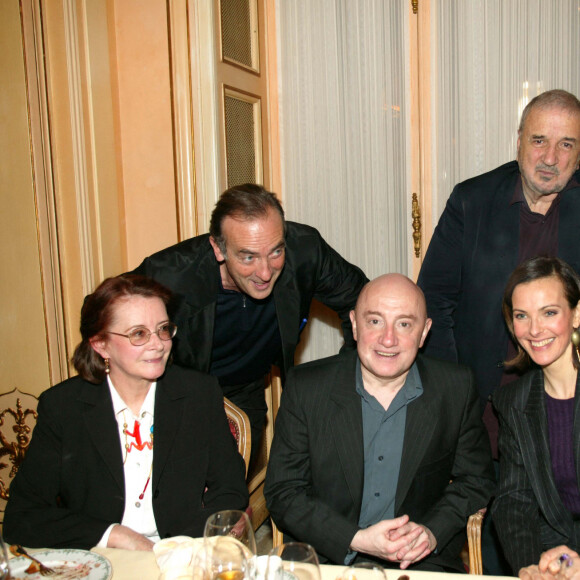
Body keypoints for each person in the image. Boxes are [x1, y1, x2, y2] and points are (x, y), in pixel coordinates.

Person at [264, 274, 495, 572]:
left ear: (424, 332)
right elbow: (284, 492)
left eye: (404, 324)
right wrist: (354, 538)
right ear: (355, 325)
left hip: (419, 561)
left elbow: (477, 480)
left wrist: (430, 532)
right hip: (325, 558)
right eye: (375, 321)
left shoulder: (455, 388)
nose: (388, 339)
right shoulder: (307, 388)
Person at [4, 275, 248, 550]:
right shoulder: (64, 407)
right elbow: (22, 518)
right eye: (139, 333)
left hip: (182, 555)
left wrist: (189, 546)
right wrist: (115, 535)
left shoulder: (198, 394)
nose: (158, 344)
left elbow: (231, 491)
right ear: (100, 345)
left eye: (163, 329)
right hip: (101, 557)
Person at [131, 183, 368, 458]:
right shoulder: (171, 274)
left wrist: (347, 375)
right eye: (248, 257)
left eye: (276, 252)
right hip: (180, 393)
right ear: (218, 249)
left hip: (246, 393)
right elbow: (103, 311)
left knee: (230, 489)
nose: (265, 272)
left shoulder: (305, 250)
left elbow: (363, 303)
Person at [492, 256, 580, 573]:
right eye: (521, 316)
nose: (534, 329)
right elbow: (514, 500)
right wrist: (530, 566)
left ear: (577, 313)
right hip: (554, 560)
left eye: (549, 312)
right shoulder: (514, 402)